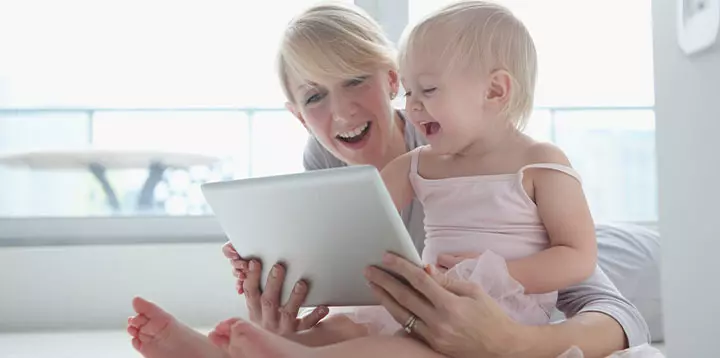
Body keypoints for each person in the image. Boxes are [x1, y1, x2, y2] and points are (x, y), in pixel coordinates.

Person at [126, 2, 652, 358]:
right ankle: (217, 350)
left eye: (356, 80)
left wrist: (510, 341)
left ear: (393, 79)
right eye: (314, 96)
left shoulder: (494, 153)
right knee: (357, 330)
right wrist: (278, 274)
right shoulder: (336, 162)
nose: (341, 111)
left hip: (630, 261)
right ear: (296, 112)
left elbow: (608, 302)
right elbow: (354, 270)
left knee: (411, 344)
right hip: (440, 294)